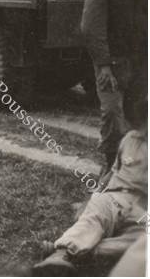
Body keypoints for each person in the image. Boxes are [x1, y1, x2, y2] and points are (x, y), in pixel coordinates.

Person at [32, 98, 148, 276]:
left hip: (143, 210)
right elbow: (112, 173)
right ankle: (61, 255)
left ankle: (73, 252)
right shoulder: (130, 139)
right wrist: (93, 195)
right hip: (115, 197)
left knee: (142, 241)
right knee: (94, 216)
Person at [80, 0, 148, 173]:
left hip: (140, 65)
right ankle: (110, 168)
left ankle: (131, 169)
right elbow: (92, 30)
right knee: (112, 116)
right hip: (112, 66)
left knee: (138, 117)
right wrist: (104, 66)